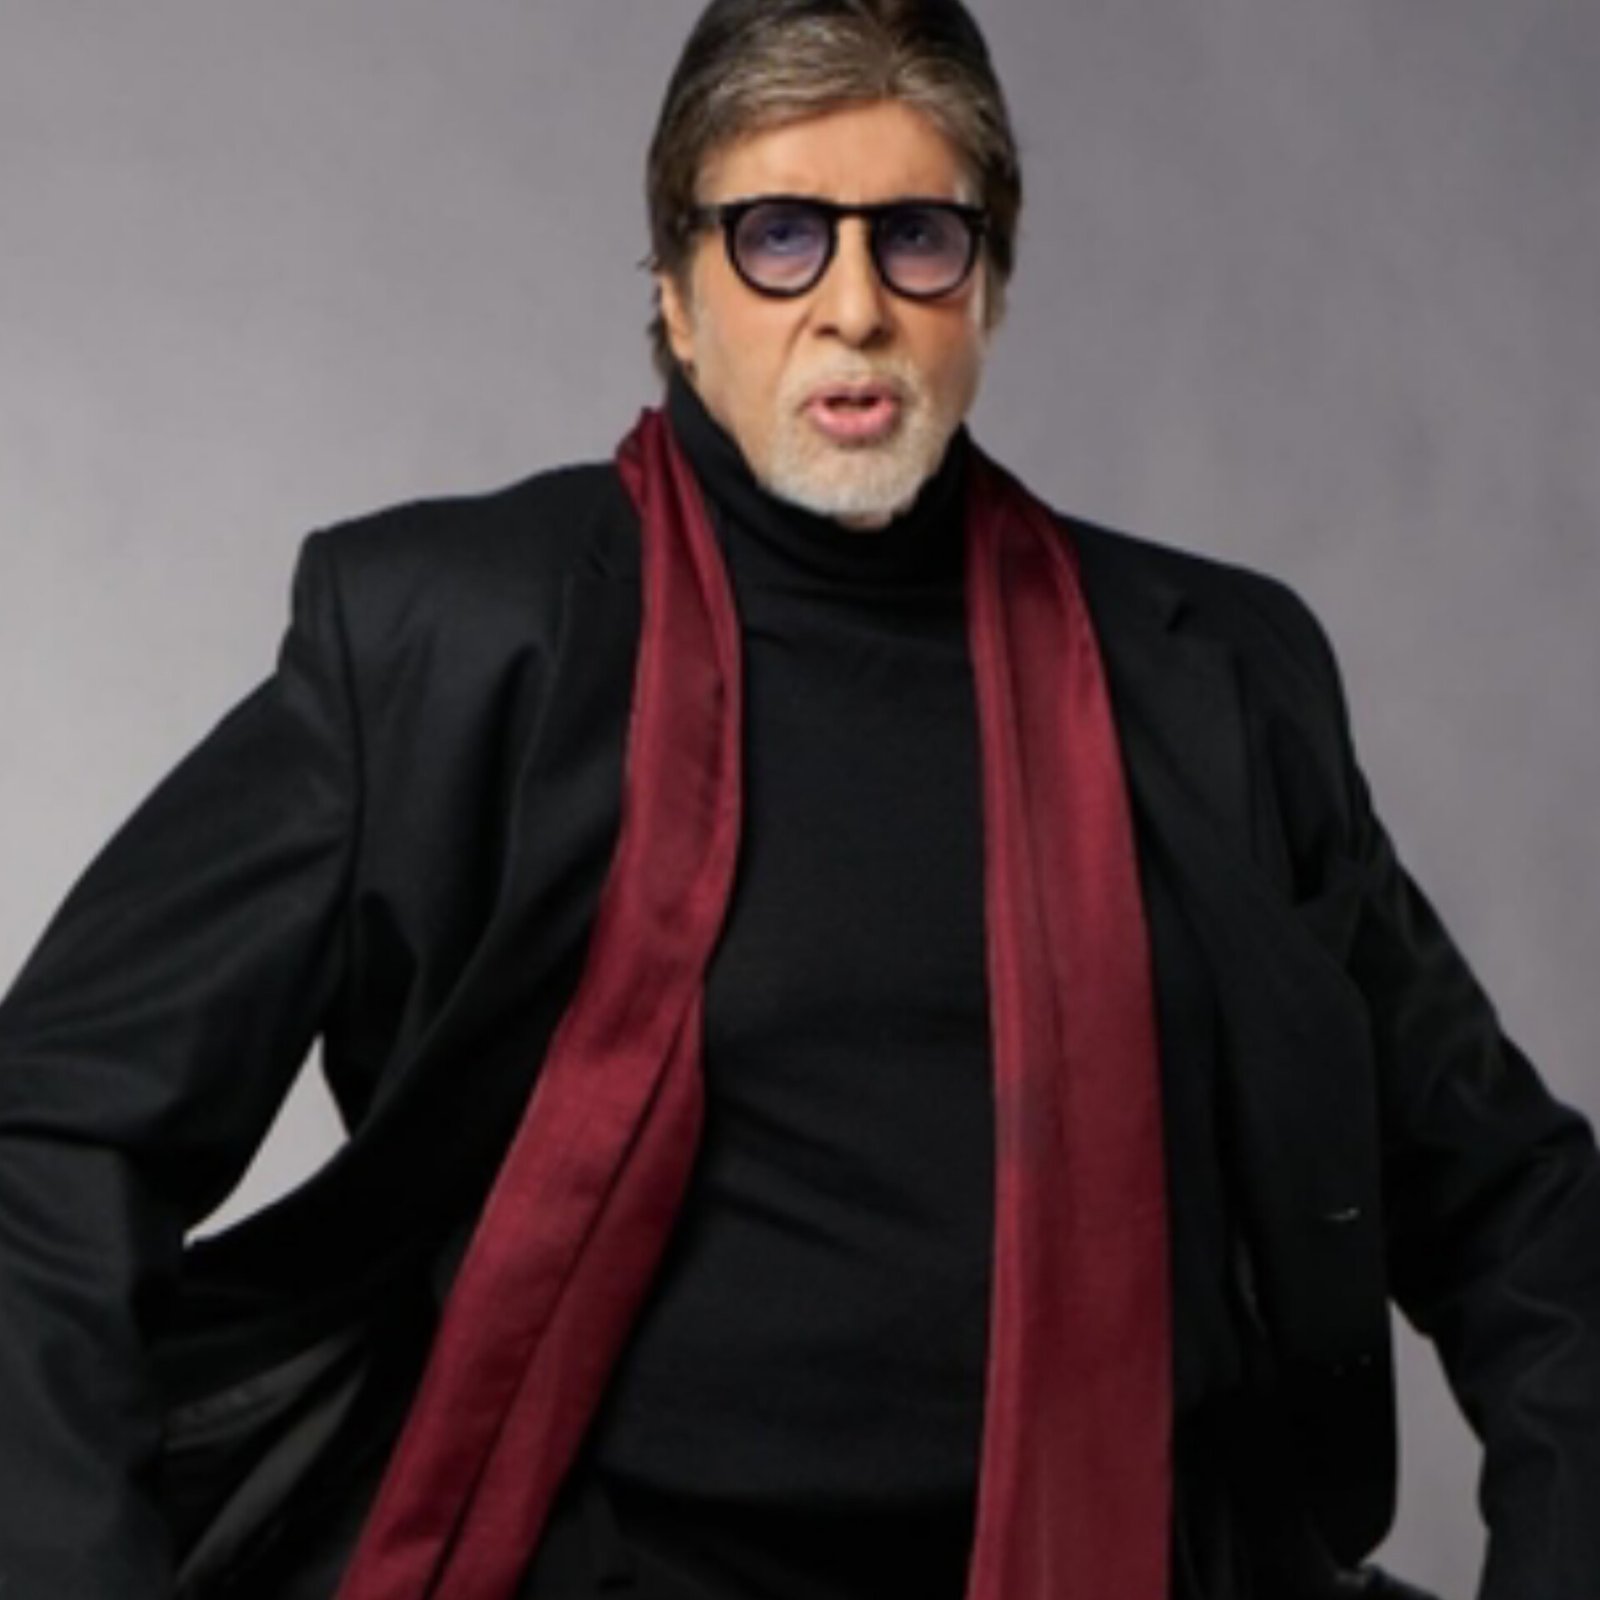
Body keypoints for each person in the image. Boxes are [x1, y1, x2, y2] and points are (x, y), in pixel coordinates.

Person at [1, 2, 1596, 1597]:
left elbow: (1520, 1205)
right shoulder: (447, 640)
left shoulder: (1217, 682)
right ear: (676, 294)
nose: (854, 307)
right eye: (778, 236)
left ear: (988, 287)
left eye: (917, 238)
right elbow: (55, 1135)